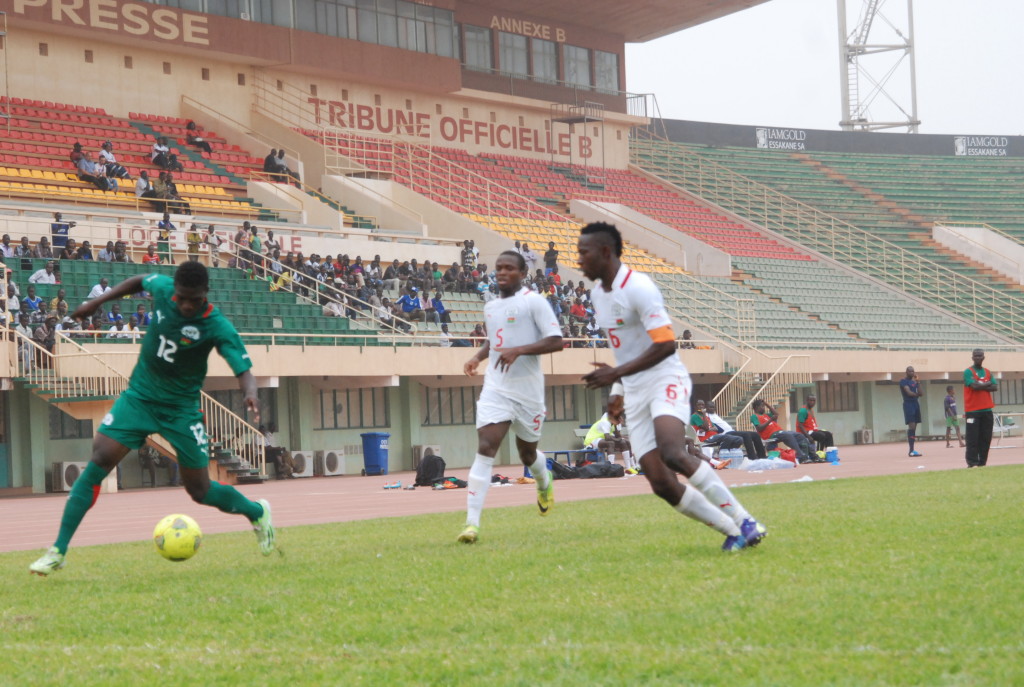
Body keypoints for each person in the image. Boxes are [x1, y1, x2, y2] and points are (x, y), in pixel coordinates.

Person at [29, 262, 277, 576]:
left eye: (194, 300)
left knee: (200, 492)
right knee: (100, 457)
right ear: (174, 290)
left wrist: (250, 393)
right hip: (140, 397)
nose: (187, 305)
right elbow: (137, 281)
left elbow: (244, 370)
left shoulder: (217, 326)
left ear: (206, 295)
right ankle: (58, 551)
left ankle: (257, 512)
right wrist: (97, 302)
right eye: (182, 297)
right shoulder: (162, 288)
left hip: (182, 411)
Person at [578, 222, 766, 551]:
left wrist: (615, 374)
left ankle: (745, 520)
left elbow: (665, 344)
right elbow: (625, 349)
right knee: (660, 482)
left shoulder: (639, 287)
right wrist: (618, 392)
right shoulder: (597, 295)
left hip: (665, 378)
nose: (579, 259)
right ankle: (731, 531)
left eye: (584, 252)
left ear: (605, 252)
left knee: (673, 452)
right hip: (634, 391)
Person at [457, 250, 563, 544]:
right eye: (498, 268)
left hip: (528, 392)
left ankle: (544, 481)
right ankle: (471, 524)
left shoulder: (534, 302)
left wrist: (520, 350)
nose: (502, 273)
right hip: (497, 387)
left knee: (527, 454)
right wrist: (478, 357)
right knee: (486, 446)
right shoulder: (490, 307)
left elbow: (557, 341)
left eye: (509, 269)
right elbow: (496, 339)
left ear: (522, 273)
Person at [750, 399, 814, 463]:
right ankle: (800, 457)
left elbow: (776, 414)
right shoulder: (754, 416)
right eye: (762, 406)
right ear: (756, 407)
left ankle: (811, 456)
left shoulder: (766, 415)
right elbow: (759, 428)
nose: (764, 408)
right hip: (771, 435)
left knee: (799, 435)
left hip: (779, 432)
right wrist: (770, 420)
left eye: (764, 406)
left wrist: (766, 404)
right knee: (787, 435)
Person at [963, 349, 998, 468]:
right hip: (972, 411)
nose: (978, 358)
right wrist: (986, 384)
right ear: (972, 357)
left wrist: (981, 385)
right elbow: (974, 386)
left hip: (987, 411)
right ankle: (972, 463)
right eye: (976, 356)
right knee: (972, 438)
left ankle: (982, 462)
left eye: (980, 356)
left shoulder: (987, 372)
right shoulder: (968, 372)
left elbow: (995, 387)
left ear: (983, 357)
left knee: (985, 438)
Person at [584, 401, 635, 469]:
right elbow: (607, 437)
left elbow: (618, 436)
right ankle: (611, 466)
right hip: (592, 440)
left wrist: (621, 435)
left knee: (624, 442)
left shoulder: (614, 422)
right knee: (610, 443)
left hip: (602, 439)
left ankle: (630, 467)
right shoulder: (605, 421)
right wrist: (618, 439)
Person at [900, 366, 923, 457]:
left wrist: (918, 382)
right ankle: (911, 450)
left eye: (913, 371)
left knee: (915, 427)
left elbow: (921, 393)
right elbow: (908, 392)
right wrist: (916, 394)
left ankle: (913, 450)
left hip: (915, 404)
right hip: (908, 404)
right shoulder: (903, 381)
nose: (912, 373)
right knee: (912, 426)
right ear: (906, 372)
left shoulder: (914, 382)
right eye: (910, 371)